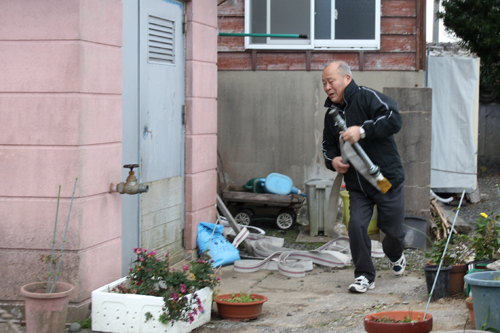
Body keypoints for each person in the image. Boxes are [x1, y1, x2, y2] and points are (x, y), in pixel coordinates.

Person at [321, 61, 406, 293]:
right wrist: (333, 161)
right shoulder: (331, 114)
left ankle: (395, 254)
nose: (327, 87)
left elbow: (394, 118)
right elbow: (328, 146)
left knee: (394, 232)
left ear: (347, 78)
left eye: (331, 81)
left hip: (384, 179)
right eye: (324, 83)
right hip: (357, 184)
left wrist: (362, 130)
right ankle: (364, 276)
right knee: (356, 226)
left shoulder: (368, 97)